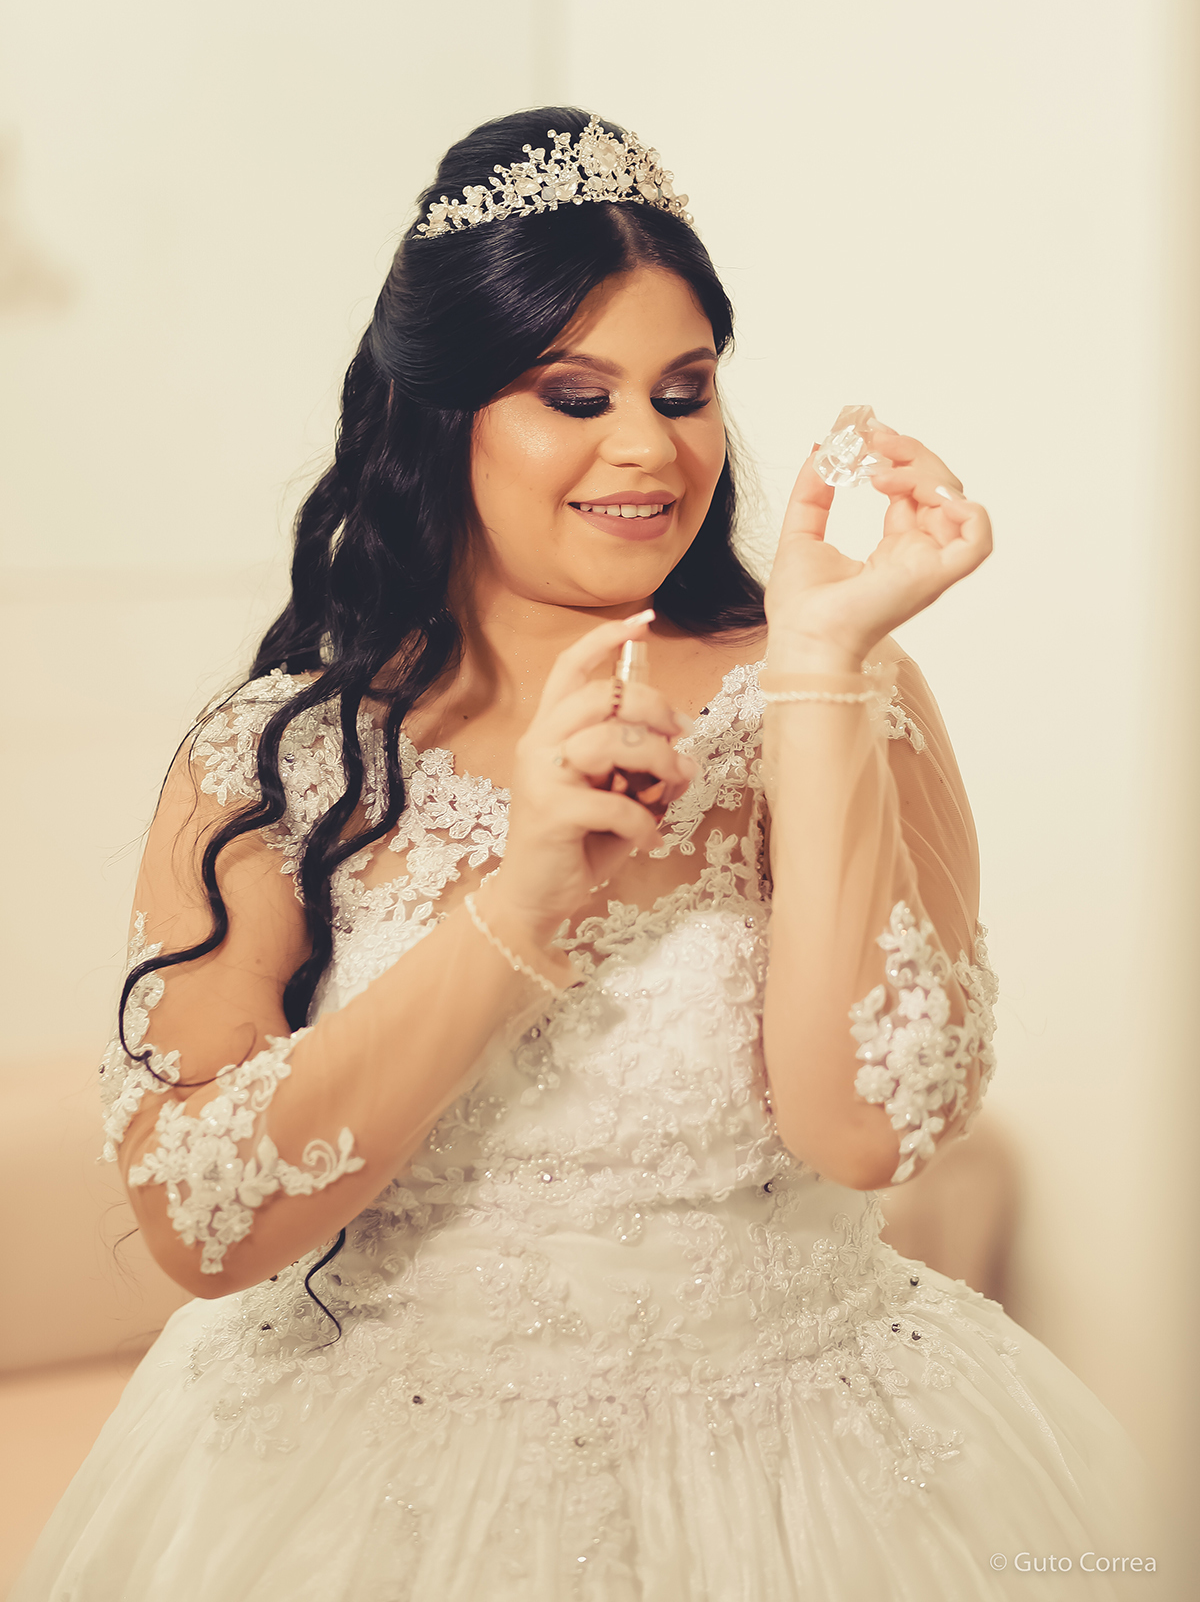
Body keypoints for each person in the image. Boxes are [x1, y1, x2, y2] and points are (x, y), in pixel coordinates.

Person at [14, 109, 1150, 1601]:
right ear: (444, 413)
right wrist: (521, 901)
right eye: (575, 393)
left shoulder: (835, 684)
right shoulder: (280, 755)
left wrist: (817, 672)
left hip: (809, 1474)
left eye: (685, 391)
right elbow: (198, 1223)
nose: (650, 448)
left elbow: (868, 1133)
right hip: (367, 1477)